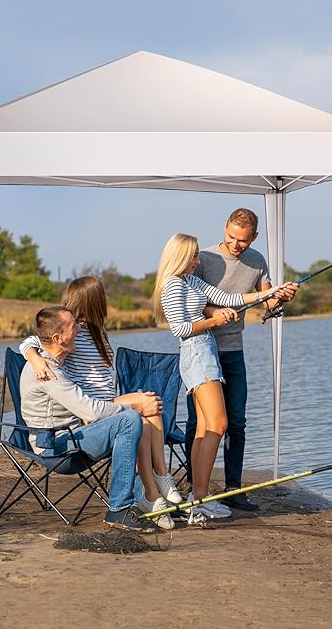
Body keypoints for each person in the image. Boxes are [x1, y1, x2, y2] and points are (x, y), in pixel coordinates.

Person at [20, 276, 182, 530]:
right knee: (130, 419)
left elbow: (41, 338)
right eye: (73, 326)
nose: (78, 329)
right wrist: (133, 407)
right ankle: (122, 507)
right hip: (55, 445)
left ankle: (152, 490)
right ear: (59, 338)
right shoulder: (47, 371)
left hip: (73, 433)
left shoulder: (60, 357)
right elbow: (88, 410)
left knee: (141, 410)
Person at [152, 233, 293, 520]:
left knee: (205, 427)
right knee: (218, 424)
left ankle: (197, 498)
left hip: (206, 350)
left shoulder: (189, 281)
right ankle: (200, 500)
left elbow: (228, 298)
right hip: (196, 353)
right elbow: (179, 329)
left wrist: (272, 292)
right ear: (181, 257)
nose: (198, 260)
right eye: (194, 256)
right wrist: (214, 320)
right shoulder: (173, 285)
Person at [186, 208, 298, 511]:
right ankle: (194, 486)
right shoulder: (202, 259)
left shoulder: (257, 261)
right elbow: (191, 302)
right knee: (199, 422)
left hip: (234, 350)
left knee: (236, 421)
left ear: (254, 237)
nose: (236, 245)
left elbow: (268, 301)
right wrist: (215, 313)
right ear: (225, 227)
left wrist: (282, 297)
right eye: (231, 237)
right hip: (202, 349)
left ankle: (233, 488)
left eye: (243, 241)